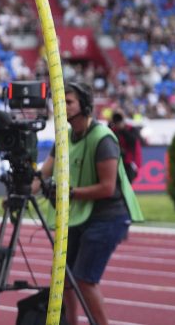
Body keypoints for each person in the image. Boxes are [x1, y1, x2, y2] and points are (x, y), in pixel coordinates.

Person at [34, 82, 143, 325]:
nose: (62, 108)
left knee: (84, 279)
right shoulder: (63, 138)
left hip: (107, 215)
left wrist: (67, 193)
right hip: (80, 214)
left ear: (84, 105)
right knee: (63, 275)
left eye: (68, 102)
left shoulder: (103, 138)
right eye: (59, 103)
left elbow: (107, 187)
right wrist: (19, 190)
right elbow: (43, 175)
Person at [109, 111, 143, 182]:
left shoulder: (131, 129)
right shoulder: (112, 130)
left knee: (128, 182)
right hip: (116, 161)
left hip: (129, 161)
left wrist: (123, 130)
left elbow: (134, 141)